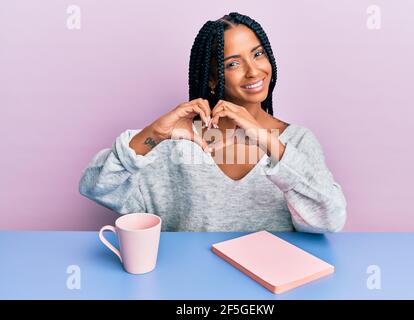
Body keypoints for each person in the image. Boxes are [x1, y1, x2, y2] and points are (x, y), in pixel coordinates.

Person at [79, 12, 347, 233]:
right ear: (212, 79)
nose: (253, 71)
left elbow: (330, 220)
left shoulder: (297, 142)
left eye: (258, 54)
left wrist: (267, 140)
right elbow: (96, 186)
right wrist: (154, 134)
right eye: (232, 64)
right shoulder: (178, 144)